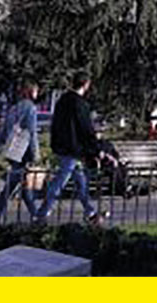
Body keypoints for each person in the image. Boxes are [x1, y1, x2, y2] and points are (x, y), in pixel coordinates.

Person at [38, 72, 114, 225]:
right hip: (74, 149)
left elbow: (56, 125)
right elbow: (86, 129)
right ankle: (42, 212)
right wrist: (96, 149)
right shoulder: (80, 104)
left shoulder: (62, 101)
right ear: (86, 84)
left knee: (80, 181)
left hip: (62, 147)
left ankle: (90, 212)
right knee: (61, 181)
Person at [0, 80, 42, 224]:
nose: (37, 94)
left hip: (12, 151)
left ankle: (34, 214)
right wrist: (36, 154)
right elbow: (32, 132)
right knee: (14, 183)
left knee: (20, 184)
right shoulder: (30, 108)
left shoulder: (14, 108)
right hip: (24, 151)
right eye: (36, 91)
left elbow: (2, 130)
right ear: (30, 92)